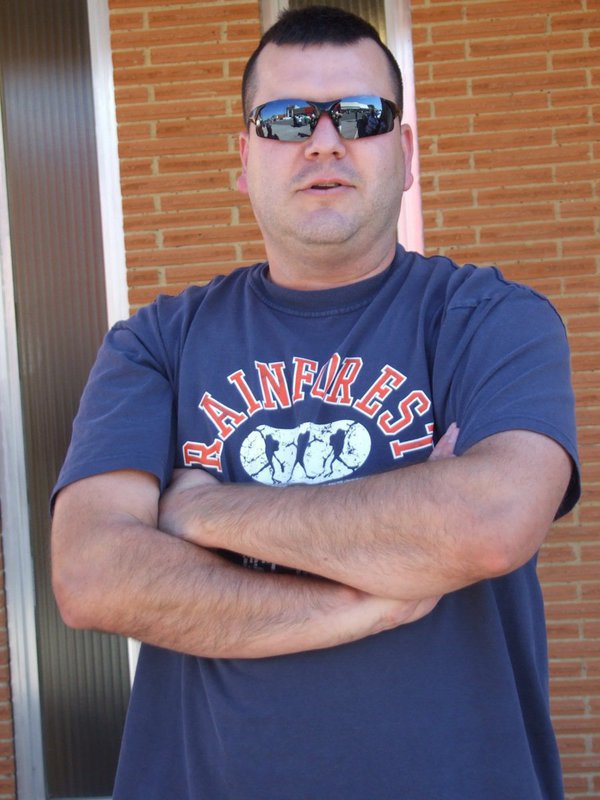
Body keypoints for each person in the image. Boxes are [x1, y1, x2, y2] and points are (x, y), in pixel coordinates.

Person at [51, 6, 579, 799]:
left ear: (402, 153)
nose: (324, 141)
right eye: (287, 118)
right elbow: (92, 575)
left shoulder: (491, 319)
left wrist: (199, 513)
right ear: (244, 158)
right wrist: (368, 605)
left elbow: (488, 523)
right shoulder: (156, 342)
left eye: (361, 117)